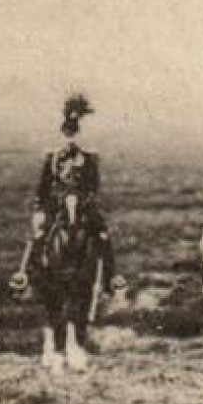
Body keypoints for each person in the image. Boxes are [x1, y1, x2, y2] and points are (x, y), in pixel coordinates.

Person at [12, 94, 125, 301]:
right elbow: (43, 187)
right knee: (38, 235)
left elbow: (94, 186)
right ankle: (24, 276)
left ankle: (112, 279)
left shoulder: (89, 158)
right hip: (56, 207)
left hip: (82, 206)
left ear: (78, 135)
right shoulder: (53, 158)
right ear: (62, 134)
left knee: (102, 236)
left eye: (74, 133)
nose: (70, 138)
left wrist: (85, 200)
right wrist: (39, 208)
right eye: (67, 133)